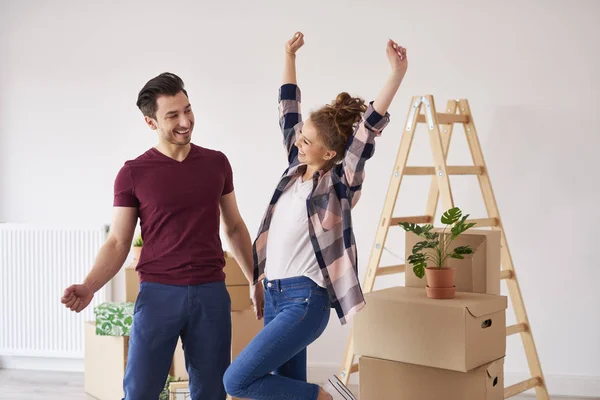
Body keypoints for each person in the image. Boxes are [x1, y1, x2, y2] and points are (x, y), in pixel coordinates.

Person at [223, 32, 408, 400]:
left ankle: (330, 397)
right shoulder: (295, 170)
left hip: (305, 300)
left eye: (306, 141)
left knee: (236, 381)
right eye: (300, 138)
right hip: (274, 294)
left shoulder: (338, 185)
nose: (297, 143)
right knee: (282, 388)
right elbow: (287, 109)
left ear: (328, 153)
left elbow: (365, 134)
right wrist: (288, 55)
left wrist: (396, 75)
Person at [60, 72, 263, 400]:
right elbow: (118, 242)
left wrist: (255, 279)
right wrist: (89, 286)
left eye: (188, 109)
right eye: (172, 115)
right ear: (150, 122)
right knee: (140, 392)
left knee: (211, 392)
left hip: (211, 292)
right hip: (158, 296)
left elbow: (235, 227)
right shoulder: (133, 173)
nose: (185, 121)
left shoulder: (216, 163)